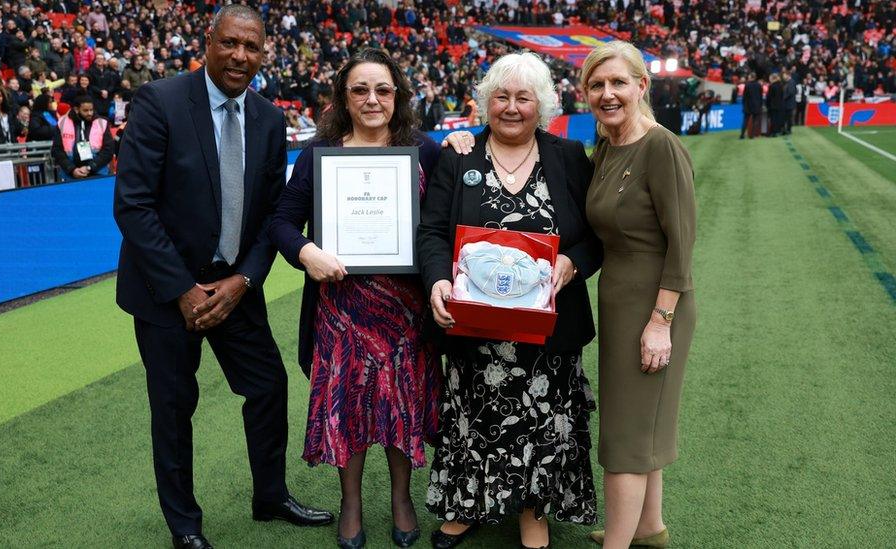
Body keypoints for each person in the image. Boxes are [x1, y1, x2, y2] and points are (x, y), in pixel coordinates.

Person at [113, 6, 334, 548]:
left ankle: (270, 495)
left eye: (252, 47)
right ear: (208, 42)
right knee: (173, 408)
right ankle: (184, 527)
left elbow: (269, 214)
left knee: (268, 386)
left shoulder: (267, 116)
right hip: (166, 293)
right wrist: (184, 290)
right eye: (230, 43)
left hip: (235, 288)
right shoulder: (160, 101)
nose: (240, 55)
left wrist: (244, 281)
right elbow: (133, 206)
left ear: (264, 53)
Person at [417, 51, 603, 549]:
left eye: (524, 97)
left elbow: (594, 236)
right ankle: (468, 504)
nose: (512, 107)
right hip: (474, 325)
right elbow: (432, 232)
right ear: (485, 103)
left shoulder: (566, 157)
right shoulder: (458, 155)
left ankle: (532, 510)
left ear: (542, 105)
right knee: (471, 416)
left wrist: (573, 263)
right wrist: (437, 280)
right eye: (502, 96)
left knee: (542, 420)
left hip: (547, 330)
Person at [268, 47, 441, 549]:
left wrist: (458, 145)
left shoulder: (425, 151)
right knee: (348, 407)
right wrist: (306, 252)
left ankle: (403, 499)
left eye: (382, 90)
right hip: (340, 309)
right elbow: (281, 222)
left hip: (406, 310)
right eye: (360, 90)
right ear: (344, 98)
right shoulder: (319, 155)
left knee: (402, 404)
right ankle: (351, 503)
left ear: (397, 96)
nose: (372, 99)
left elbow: (444, 224)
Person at [580, 41, 696, 549]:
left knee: (626, 436)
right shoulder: (607, 142)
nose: (608, 94)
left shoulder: (661, 146)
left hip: (656, 303)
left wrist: (660, 321)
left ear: (641, 86)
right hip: (620, 299)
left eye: (618, 83)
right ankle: (648, 529)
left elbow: (682, 242)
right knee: (635, 422)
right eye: (597, 85)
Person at [52, 95, 113, 180]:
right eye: (85, 110)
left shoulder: (102, 123)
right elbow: (57, 150)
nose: (90, 113)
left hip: (98, 173)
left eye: (91, 110)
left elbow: (108, 150)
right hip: (70, 175)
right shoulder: (62, 123)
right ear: (76, 109)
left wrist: (90, 167)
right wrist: (72, 169)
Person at [739, 72, 762, 139]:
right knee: (755, 121)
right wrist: (760, 105)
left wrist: (744, 104)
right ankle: (752, 135)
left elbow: (745, 96)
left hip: (748, 106)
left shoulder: (747, 85)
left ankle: (742, 135)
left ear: (751, 77)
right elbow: (760, 96)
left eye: (749, 76)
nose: (748, 77)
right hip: (756, 105)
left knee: (745, 121)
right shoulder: (758, 85)